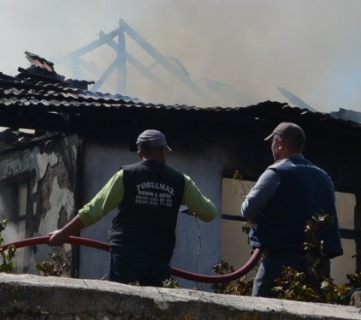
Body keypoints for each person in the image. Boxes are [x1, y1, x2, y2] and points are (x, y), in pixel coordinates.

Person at [48, 129, 217, 286]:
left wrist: (63, 234)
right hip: (158, 260)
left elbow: (92, 211)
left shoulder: (126, 176)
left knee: (121, 307)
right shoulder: (181, 182)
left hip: (125, 259)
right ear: (163, 150)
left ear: (140, 153)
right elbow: (209, 213)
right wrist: (180, 200)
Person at [240, 122, 343, 297]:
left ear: (279, 143)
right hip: (318, 265)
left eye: (272, 142)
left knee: (262, 309)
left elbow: (248, 210)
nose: (271, 147)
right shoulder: (324, 177)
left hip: (280, 261)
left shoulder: (276, 172)